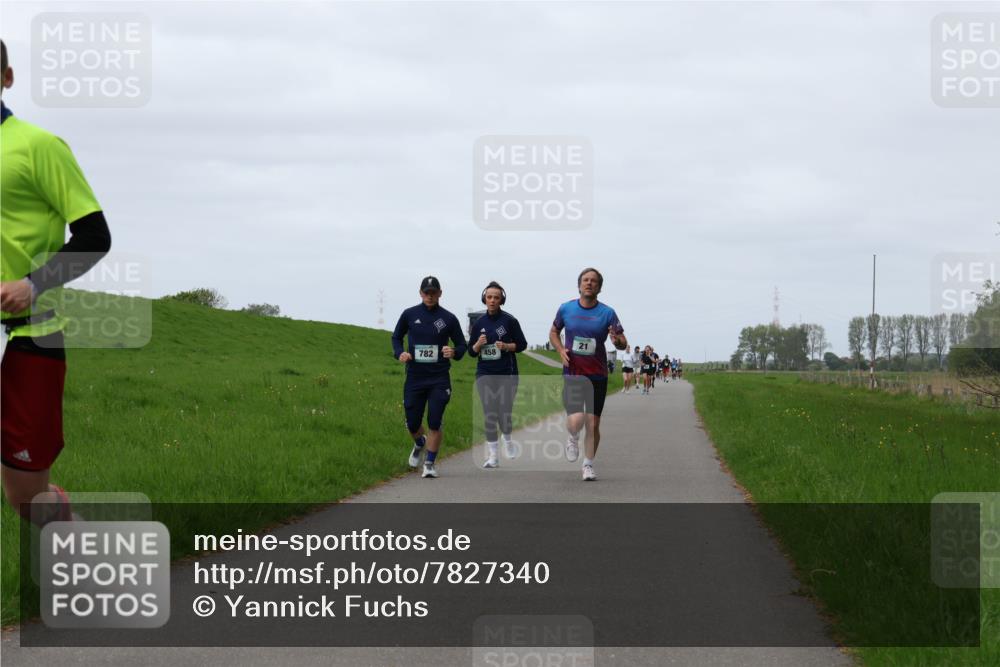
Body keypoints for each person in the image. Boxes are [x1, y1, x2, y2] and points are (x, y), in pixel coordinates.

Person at [1, 40, 112, 525]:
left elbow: (94, 236)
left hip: (28, 335)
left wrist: (34, 283)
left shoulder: (39, 146)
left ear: (6, 78)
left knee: (27, 499)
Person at [549, 268, 627, 481]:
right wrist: (559, 349)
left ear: (599, 287)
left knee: (593, 423)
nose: (589, 283)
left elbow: (622, 342)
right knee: (576, 421)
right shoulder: (566, 309)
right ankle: (572, 437)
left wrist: (617, 341)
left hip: (597, 374)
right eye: (585, 280)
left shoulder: (608, 313)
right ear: (579, 284)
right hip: (573, 373)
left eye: (594, 281)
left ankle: (588, 464)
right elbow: (554, 332)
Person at [391, 276, 467, 478]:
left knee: (434, 421)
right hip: (415, 377)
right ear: (420, 293)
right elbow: (396, 337)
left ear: (440, 293)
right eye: (426, 292)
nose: (430, 296)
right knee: (412, 422)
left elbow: (461, 345)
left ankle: (430, 464)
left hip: (439, 378)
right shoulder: (409, 314)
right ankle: (419, 443)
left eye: (433, 292)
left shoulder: (449, 318)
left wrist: (454, 352)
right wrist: (400, 353)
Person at [468, 281, 528, 468]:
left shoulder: (510, 321)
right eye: (489, 297)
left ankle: (508, 440)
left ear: (502, 299)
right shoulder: (479, 323)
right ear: (484, 299)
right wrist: (478, 344)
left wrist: (507, 346)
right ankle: (493, 456)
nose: (492, 300)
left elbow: (522, 344)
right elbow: (471, 351)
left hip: (507, 373)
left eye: (496, 297)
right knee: (489, 414)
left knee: (504, 413)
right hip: (485, 373)